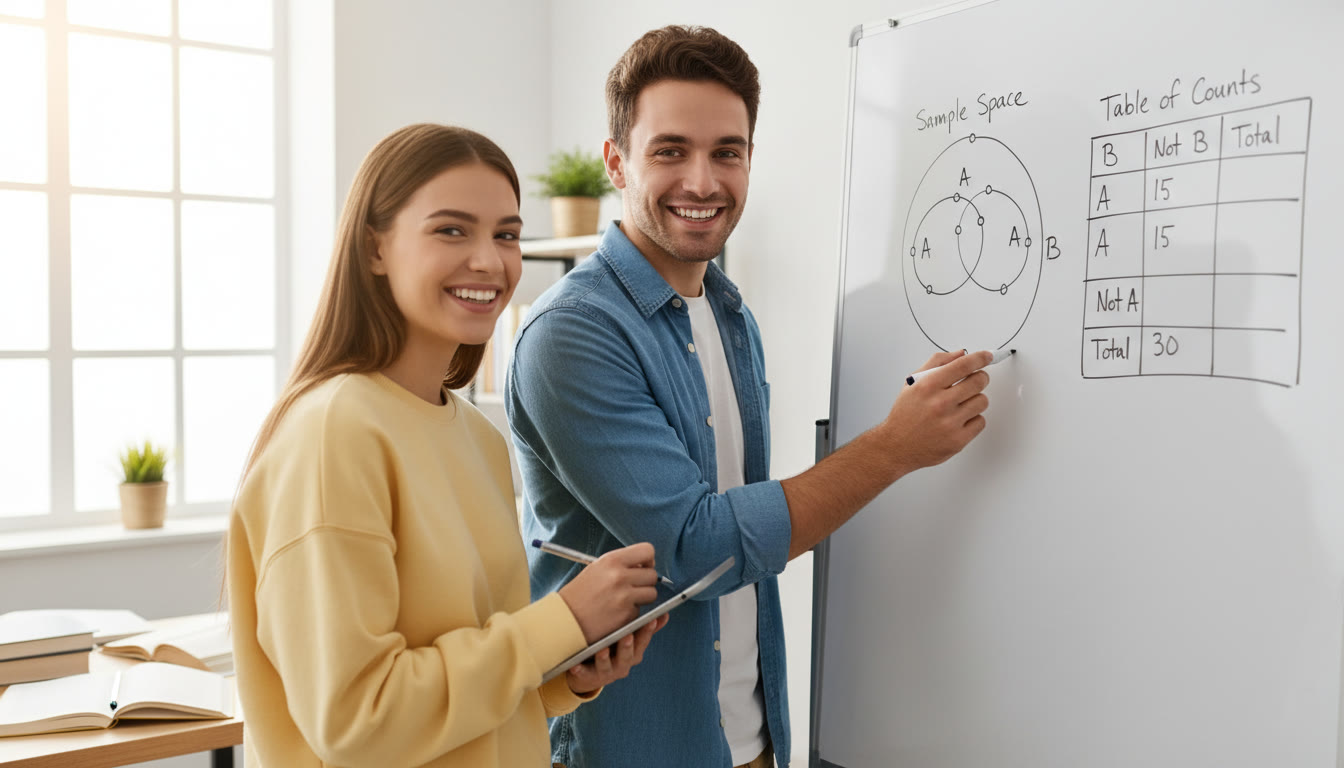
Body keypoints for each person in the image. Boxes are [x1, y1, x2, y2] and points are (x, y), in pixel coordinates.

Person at [505, 26, 994, 768]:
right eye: (670, 151)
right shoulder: (570, 335)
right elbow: (699, 547)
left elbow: (746, 532)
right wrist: (894, 448)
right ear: (616, 162)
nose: (702, 182)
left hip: (751, 742)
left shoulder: (730, 315)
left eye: (726, 152)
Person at [226, 123, 667, 768]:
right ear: (376, 247)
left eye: (507, 235)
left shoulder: (477, 438)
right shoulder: (335, 434)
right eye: (451, 230)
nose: (489, 261)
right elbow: (359, 725)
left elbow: (469, 689)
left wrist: (565, 672)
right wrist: (558, 622)